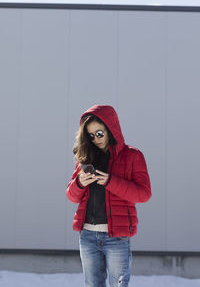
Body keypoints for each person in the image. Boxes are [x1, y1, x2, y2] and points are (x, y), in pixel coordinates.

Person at [66, 104, 152, 287]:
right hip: (88, 236)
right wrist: (80, 183)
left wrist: (111, 182)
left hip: (117, 238)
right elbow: (72, 197)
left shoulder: (132, 156)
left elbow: (144, 194)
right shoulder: (85, 157)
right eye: (90, 135)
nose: (95, 139)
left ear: (111, 129)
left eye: (99, 133)